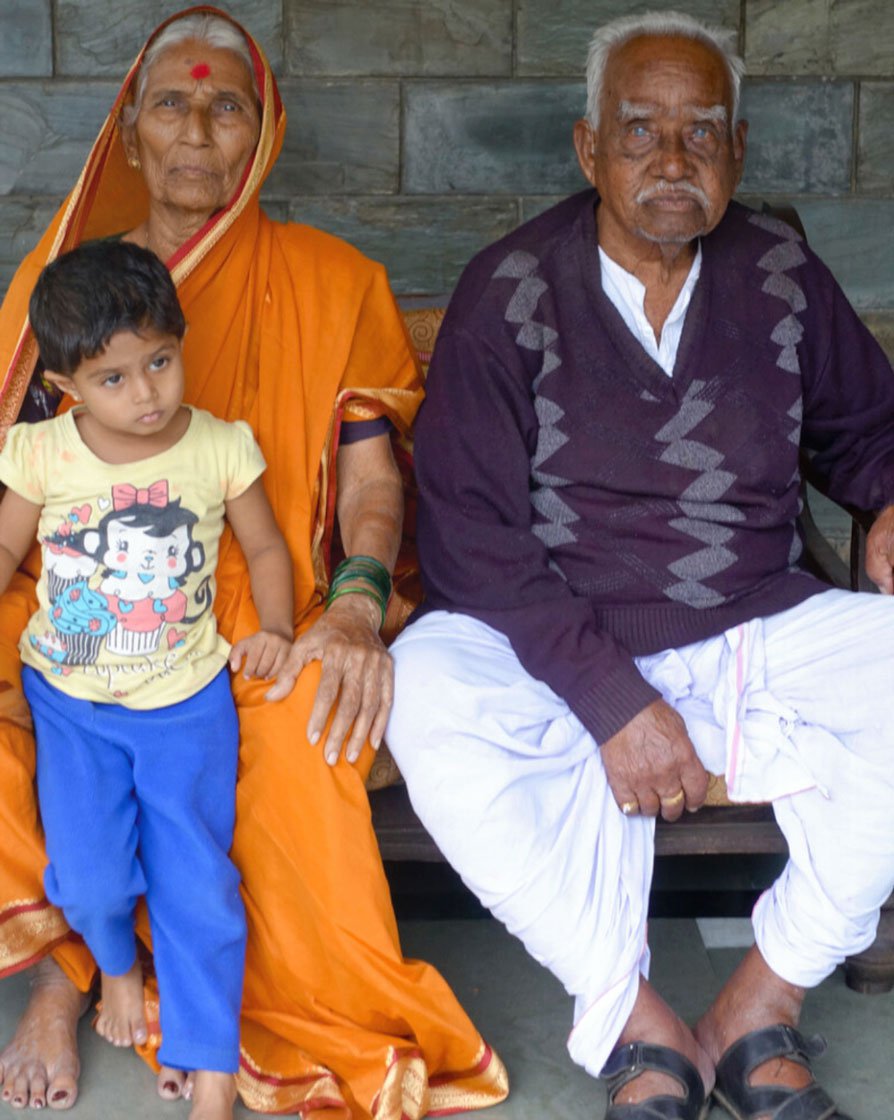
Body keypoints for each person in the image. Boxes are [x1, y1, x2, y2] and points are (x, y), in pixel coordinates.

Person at [386, 9, 894, 1120]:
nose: (673, 159)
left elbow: (868, 428)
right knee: (423, 693)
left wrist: (890, 494)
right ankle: (633, 1018)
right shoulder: (508, 289)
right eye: (640, 131)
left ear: (740, 154)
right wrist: (612, 700)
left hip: (751, 628)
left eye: (702, 133)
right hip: (563, 645)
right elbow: (470, 533)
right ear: (587, 148)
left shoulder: (781, 274)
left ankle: (759, 1001)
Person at [0, 8, 508, 1117]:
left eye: (226, 105)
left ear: (263, 133)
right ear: (128, 135)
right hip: (75, 590)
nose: (197, 129)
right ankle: (66, 974)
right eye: (171, 105)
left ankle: (208, 1023)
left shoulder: (334, 280)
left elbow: (374, 484)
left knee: (295, 740)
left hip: (260, 604)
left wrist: (358, 610)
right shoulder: (71, 285)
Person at [0, 239, 296, 1120]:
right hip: (73, 704)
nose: (147, 393)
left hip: (186, 708)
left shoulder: (218, 446)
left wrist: (276, 628)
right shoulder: (43, 453)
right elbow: (9, 546)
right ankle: (118, 972)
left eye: (160, 362)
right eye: (115, 379)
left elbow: (268, 546)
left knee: (197, 886)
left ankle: (211, 1082)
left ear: (181, 340)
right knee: (90, 878)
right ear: (64, 384)